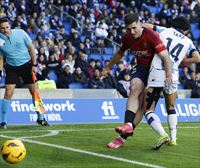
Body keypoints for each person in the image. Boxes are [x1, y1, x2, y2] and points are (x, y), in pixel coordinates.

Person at [101, 13, 172, 149]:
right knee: (134, 88)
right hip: (141, 68)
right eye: (129, 29)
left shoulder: (151, 36)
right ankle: (127, 125)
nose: (132, 32)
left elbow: (165, 57)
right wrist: (108, 67)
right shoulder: (128, 37)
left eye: (134, 28)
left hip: (156, 72)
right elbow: (119, 53)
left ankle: (122, 138)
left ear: (140, 24)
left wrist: (168, 75)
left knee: (143, 108)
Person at [143, 16, 200, 147]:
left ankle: (163, 134)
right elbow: (197, 58)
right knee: (171, 107)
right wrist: (185, 61)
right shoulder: (188, 41)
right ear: (185, 30)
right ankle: (173, 139)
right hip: (173, 75)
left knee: (147, 109)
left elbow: (146, 26)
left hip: (158, 71)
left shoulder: (165, 30)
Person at [0, 17, 49, 129]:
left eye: (7, 27)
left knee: (34, 92)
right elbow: (1, 57)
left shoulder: (20, 33)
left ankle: (41, 118)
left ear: (10, 26)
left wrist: (34, 65)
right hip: (11, 68)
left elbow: (31, 48)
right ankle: (3, 122)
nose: (5, 30)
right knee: (8, 92)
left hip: (27, 66)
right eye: (2, 28)